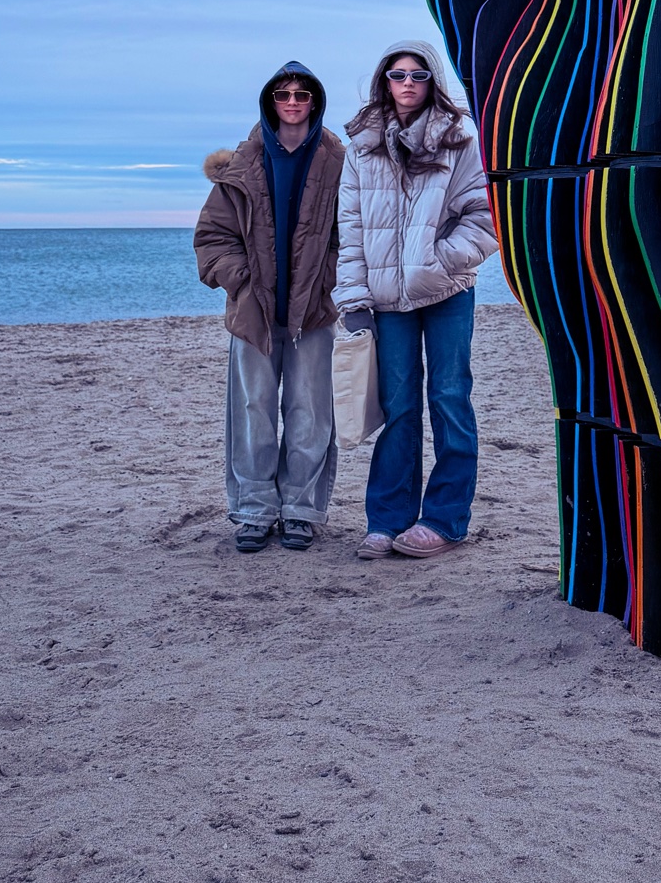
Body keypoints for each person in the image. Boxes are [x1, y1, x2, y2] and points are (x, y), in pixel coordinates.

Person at [335, 39, 498, 560]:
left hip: (448, 290)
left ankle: (445, 520)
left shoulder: (460, 139)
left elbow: (486, 216)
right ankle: (388, 520)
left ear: (433, 82)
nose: (407, 83)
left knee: (449, 399)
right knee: (398, 406)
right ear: (385, 80)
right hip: (386, 300)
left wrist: (439, 260)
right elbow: (351, 230)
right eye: (398, 74)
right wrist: (353, 298)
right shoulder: (361, 146)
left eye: (418, 75)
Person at [194, 61, 344, 553]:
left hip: (314, 311)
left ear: (315, 101)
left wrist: (326, 282)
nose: (293, 102)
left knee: (310, 412)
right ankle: (254, 511)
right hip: (253, 313)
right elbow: (212, 238)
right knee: (252, 411)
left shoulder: (340, 162)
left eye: (302, 94)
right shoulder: (240, 165)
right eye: (284, 94)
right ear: (270, 102)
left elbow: (354, 235)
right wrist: (242, 281)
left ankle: (301, 510)